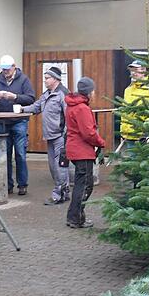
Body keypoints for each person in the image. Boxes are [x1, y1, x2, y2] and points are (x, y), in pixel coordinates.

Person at [22, 67, 70, 205]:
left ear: (55, 79)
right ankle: (64, 192)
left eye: (47, 78)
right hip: (50, 136)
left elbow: (69, 116)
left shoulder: (63, 94)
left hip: (60, 136)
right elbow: (36, 107)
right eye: (45, 78)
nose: (45, 80)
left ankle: (58, 195)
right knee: (53, 167)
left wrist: (67, 136)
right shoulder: (47, 94)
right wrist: (22, 109)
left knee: (59, 166)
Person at [0, 54, 35, 195]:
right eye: (3, 69)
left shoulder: (24, 80)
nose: (5, 72)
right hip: (3, 122)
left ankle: (22, 184)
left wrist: (14, 97)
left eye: (8, 69)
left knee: (20, 154)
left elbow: (31, 98)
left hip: (19, 122)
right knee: (5, 155)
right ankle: (7, 185)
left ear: (14, 67)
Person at [64, 77, 106, 229]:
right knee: (85, 186)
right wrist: (101, 142)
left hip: (76, 149)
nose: (94, 93)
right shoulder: (82, 108)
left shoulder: (72, 105)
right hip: (82, 151)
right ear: (89, 92)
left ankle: (74, 217)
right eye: (93, 90)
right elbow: (88, 133)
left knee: (81, 184)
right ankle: (75, 218)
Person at [119, 59, 149, 147]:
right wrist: (123, 132)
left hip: (144, 137)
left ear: (143, 71)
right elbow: (125, 112)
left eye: (136, 70)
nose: (133, 73)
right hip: (129, 135)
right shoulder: (128, 90)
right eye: (132, 70)